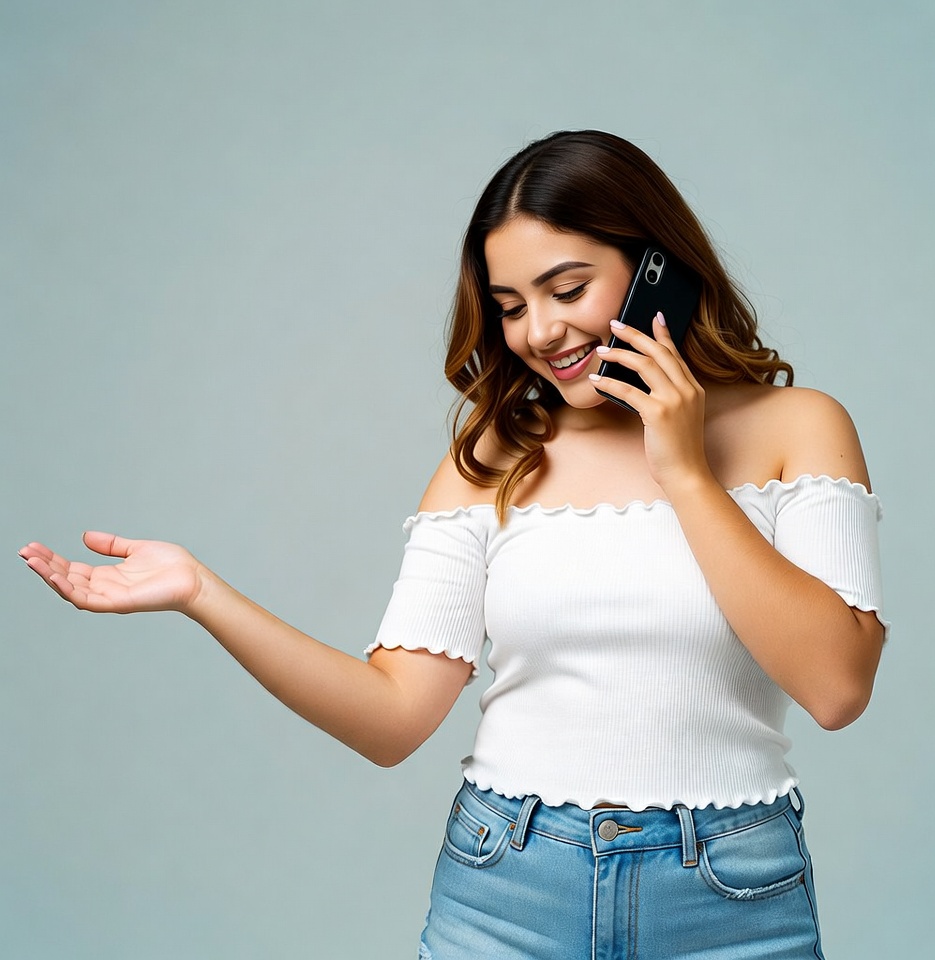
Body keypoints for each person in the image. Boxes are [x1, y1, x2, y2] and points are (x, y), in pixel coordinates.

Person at [20, 130, 887, 959]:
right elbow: (393, 718)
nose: (539, 332)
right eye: (511, 306)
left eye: (568, 287)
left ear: (654, 267)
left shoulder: (797, 429)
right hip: (508, 885)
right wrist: (202, 593)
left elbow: (835, 686)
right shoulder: (494, 459)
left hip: (731, 895)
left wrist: (688, 475)